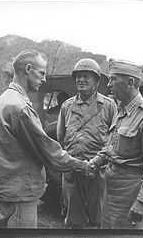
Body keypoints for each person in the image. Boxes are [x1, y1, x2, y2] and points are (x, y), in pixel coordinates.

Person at [0, 49, 93, 228]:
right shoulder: (20, 107)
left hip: (7, 186)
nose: (44, 79)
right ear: (28, 69)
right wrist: (82, 165)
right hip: (20, 191)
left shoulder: (4, 99)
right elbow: (48, 151)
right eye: (41, 73)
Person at [89, 59, 143, 229]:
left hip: (131, 192)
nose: (108, 85)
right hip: (111, 190)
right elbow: (112, 146)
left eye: (113, 79)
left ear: (130, 82)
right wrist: (95, 161)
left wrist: (142, 201)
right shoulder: (121, 110)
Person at [57, 58, 117, 228]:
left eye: (86, 76)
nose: (81, 80)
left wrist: (96, 162)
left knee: (98, 219)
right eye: (78, 76)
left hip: (98, 172)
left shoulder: (109, 106)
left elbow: (114, 141)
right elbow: (60, 138)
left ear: (97, 81)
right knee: (74, 220)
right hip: (72, 172)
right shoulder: (66, 107)